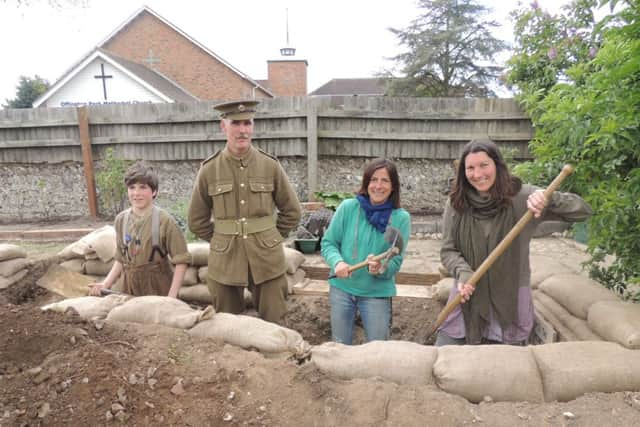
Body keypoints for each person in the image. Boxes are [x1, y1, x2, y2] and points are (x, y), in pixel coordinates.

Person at [436, 139, 592, 346]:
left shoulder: (521, 197)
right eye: (470, 168)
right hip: (467, 293)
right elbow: (448, 251)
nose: (478, 174)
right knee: (447, 352)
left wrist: (549, 198)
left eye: (484, 165)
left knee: (506, 367)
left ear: (497, 165)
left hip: (510, 295)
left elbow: (583, 211)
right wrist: (464, 273)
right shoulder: (457, 203)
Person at [187, 100, 301, 323]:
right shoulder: (210, 169)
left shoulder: (270, 166)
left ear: (253, 126)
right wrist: (222, 238)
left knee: (274, 322)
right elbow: (196, 219)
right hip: (225, 260)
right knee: (227, 326)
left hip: (267, 259)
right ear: (224, 126)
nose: (242, 130)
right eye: (236, 123)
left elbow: (292, 211)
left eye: (247, 123)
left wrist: (271, 237)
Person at [321, 158, 411, 344]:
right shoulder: (348, 208)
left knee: (378, 350)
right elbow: (329, 243)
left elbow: (395, 261)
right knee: (339, 345)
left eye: (385, 181)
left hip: (376, 294)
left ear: (393, 186)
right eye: (373, 180)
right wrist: (337, 262)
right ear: (366, 183)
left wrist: (381, 268)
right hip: (342, 289)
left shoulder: (400, 218)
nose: (378, 186)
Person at [88, 162, 190, 297]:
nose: (136, 193)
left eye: (143, 187)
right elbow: (121, 258)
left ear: (154, 191)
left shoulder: (164, 221)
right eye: (132, 187)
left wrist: (171, 296)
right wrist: (105, 284)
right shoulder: (121, 220)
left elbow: (181, 261)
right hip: (128, 285)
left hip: (157, 284)